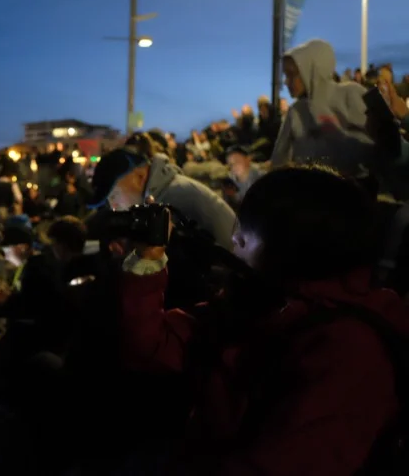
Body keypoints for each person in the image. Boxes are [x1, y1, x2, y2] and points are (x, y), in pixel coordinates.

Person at [120, 165, 409, 475]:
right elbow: (152, 344)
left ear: (296, 245)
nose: (235, 237)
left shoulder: (349, 349)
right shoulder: (260, 299)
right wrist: (147, 258)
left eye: (251, 227)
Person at [88, 137, 236, 250]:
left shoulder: (170, 201)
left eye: (114, 195)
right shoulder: (167, 190)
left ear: (139, 177)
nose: (113, 206)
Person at [271, 38, 374, 175]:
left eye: (292, 74)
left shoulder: (350, 94)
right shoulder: (295, 111)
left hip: (351, 185)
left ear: (312, 69)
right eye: (285, 75)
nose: (286, 81)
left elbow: (377, 144)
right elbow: (278, 159)